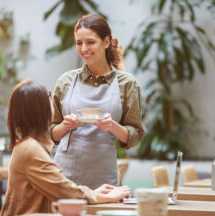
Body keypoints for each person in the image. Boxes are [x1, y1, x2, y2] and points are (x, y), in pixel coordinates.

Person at [0, 80, 130, 216]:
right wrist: (105, 197)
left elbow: (60, 188)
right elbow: (64, 191)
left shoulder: (28, 145)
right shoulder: (30, 149)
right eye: (49, 96)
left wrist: (94, 193)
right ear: (41, 109)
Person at [51, 14, 145, 189]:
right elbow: (50, 133)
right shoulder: (65, 81)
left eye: (90, 42)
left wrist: (112, 126)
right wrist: (65, 126)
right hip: (65, 176)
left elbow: (135, 135)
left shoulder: (127, 83)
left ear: (106, 42)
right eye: (79, 43)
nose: (84, 48)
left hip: (104, 176)